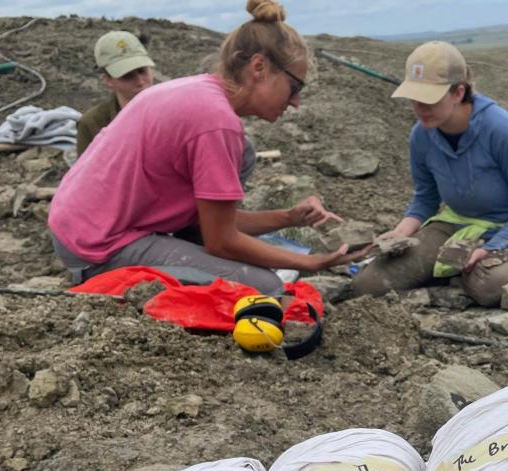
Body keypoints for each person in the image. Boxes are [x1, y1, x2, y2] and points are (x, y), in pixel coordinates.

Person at [48, 1, 361, 295]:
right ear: (259, 67)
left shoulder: (201, 91)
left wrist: (288, 217)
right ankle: (107, 275)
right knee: (265, 287)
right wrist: (311, 263)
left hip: (84, 224)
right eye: (294, 88)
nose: (295, 102)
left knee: (245, 152)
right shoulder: (215, 121)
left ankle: (179, 252)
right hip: (95, 246)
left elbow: (212, 223)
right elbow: (221, 241)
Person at [351, 41, 508, 307]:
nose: (420, 107)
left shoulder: (504, 131)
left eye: (429, 99)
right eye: (415, 98)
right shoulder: (421, 135)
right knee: (367, 286)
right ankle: (453, 276)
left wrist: (488, 249)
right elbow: (426, 199)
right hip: (455, 224)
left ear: (458, 92)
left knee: (489, 287)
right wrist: (400, 232)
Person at [76, 31, 156, 156]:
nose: (140, 82)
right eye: (127, 76)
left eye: (142, 71)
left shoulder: (177, 112)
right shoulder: (93, 124)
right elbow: (87, 173)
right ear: (108, 80)